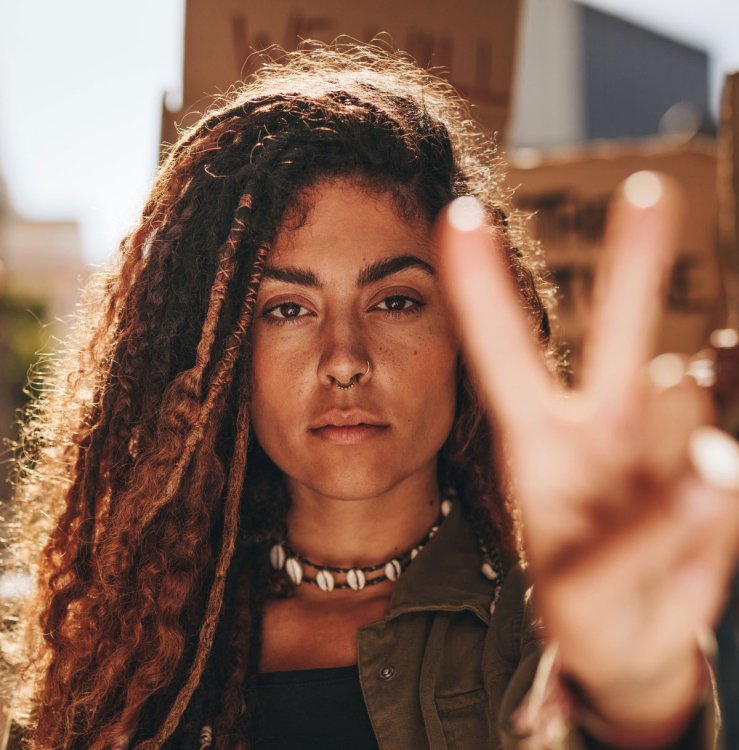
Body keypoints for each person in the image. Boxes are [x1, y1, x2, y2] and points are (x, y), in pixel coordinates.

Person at [4, 43, 738, 750]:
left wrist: (630, 708)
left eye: (394, 302)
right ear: (223, 357)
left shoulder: (547, 627)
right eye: (286, 309)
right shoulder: (102, 648)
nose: (344, 361)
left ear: (463, 335)